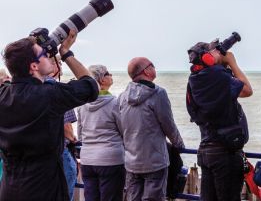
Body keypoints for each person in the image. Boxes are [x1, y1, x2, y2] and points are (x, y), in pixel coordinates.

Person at [0, 30, 99, 201]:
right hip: (44, 188)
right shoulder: (51, 94)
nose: (49, 55)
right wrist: (66, 53)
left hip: (9, 188)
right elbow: (90, 86)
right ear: (34, 66)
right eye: (44, 54)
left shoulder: (2, 94)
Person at [186, 41, 253, 201]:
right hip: (225, 152)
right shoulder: (218, 77)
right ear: (208, 57)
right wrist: (232, 63)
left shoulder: (194, 79)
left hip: (206, 150)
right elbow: (247, 90)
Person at [116, 57, 185, 201]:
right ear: (146, 71)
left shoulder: (122, 97)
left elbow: (121, 128)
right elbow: (168, 124)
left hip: (131, 161)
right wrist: (179, 144)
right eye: (152, 65)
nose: (154, 68)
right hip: (154, 160)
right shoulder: (158, 93)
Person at [77, 64, 126, 201]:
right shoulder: (115, 103)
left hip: (87, 159)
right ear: (102, 80)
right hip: (111, 159)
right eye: (108, 73)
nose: (111, 75)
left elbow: (80, 134)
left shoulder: (82, 104)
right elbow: (124, 131)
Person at [45, 55, 78, 201]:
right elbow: (67, 127)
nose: (61, 66)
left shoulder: (32, 89)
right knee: (65, 193)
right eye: (59, 63)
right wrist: (73, 138)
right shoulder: (59, 90)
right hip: (60, 152)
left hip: (41, 154)